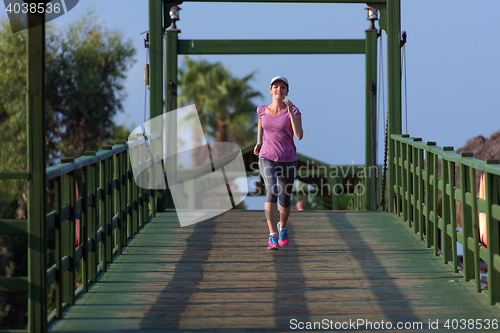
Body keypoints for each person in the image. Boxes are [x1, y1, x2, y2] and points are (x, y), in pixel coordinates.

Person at [254, 76, 303, 250]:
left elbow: (299, 135)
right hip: (267, 156)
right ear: (270, 90)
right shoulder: (261, 109)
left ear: (287, 91)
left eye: (282, 87)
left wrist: (289, 111)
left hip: (288, 159)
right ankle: (272, 234)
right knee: (271, 191)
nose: (279, 89)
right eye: (275, 86)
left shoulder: (294, 110)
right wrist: (259, 141)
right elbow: (261, 122)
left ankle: (282, 227)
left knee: (285, 199)